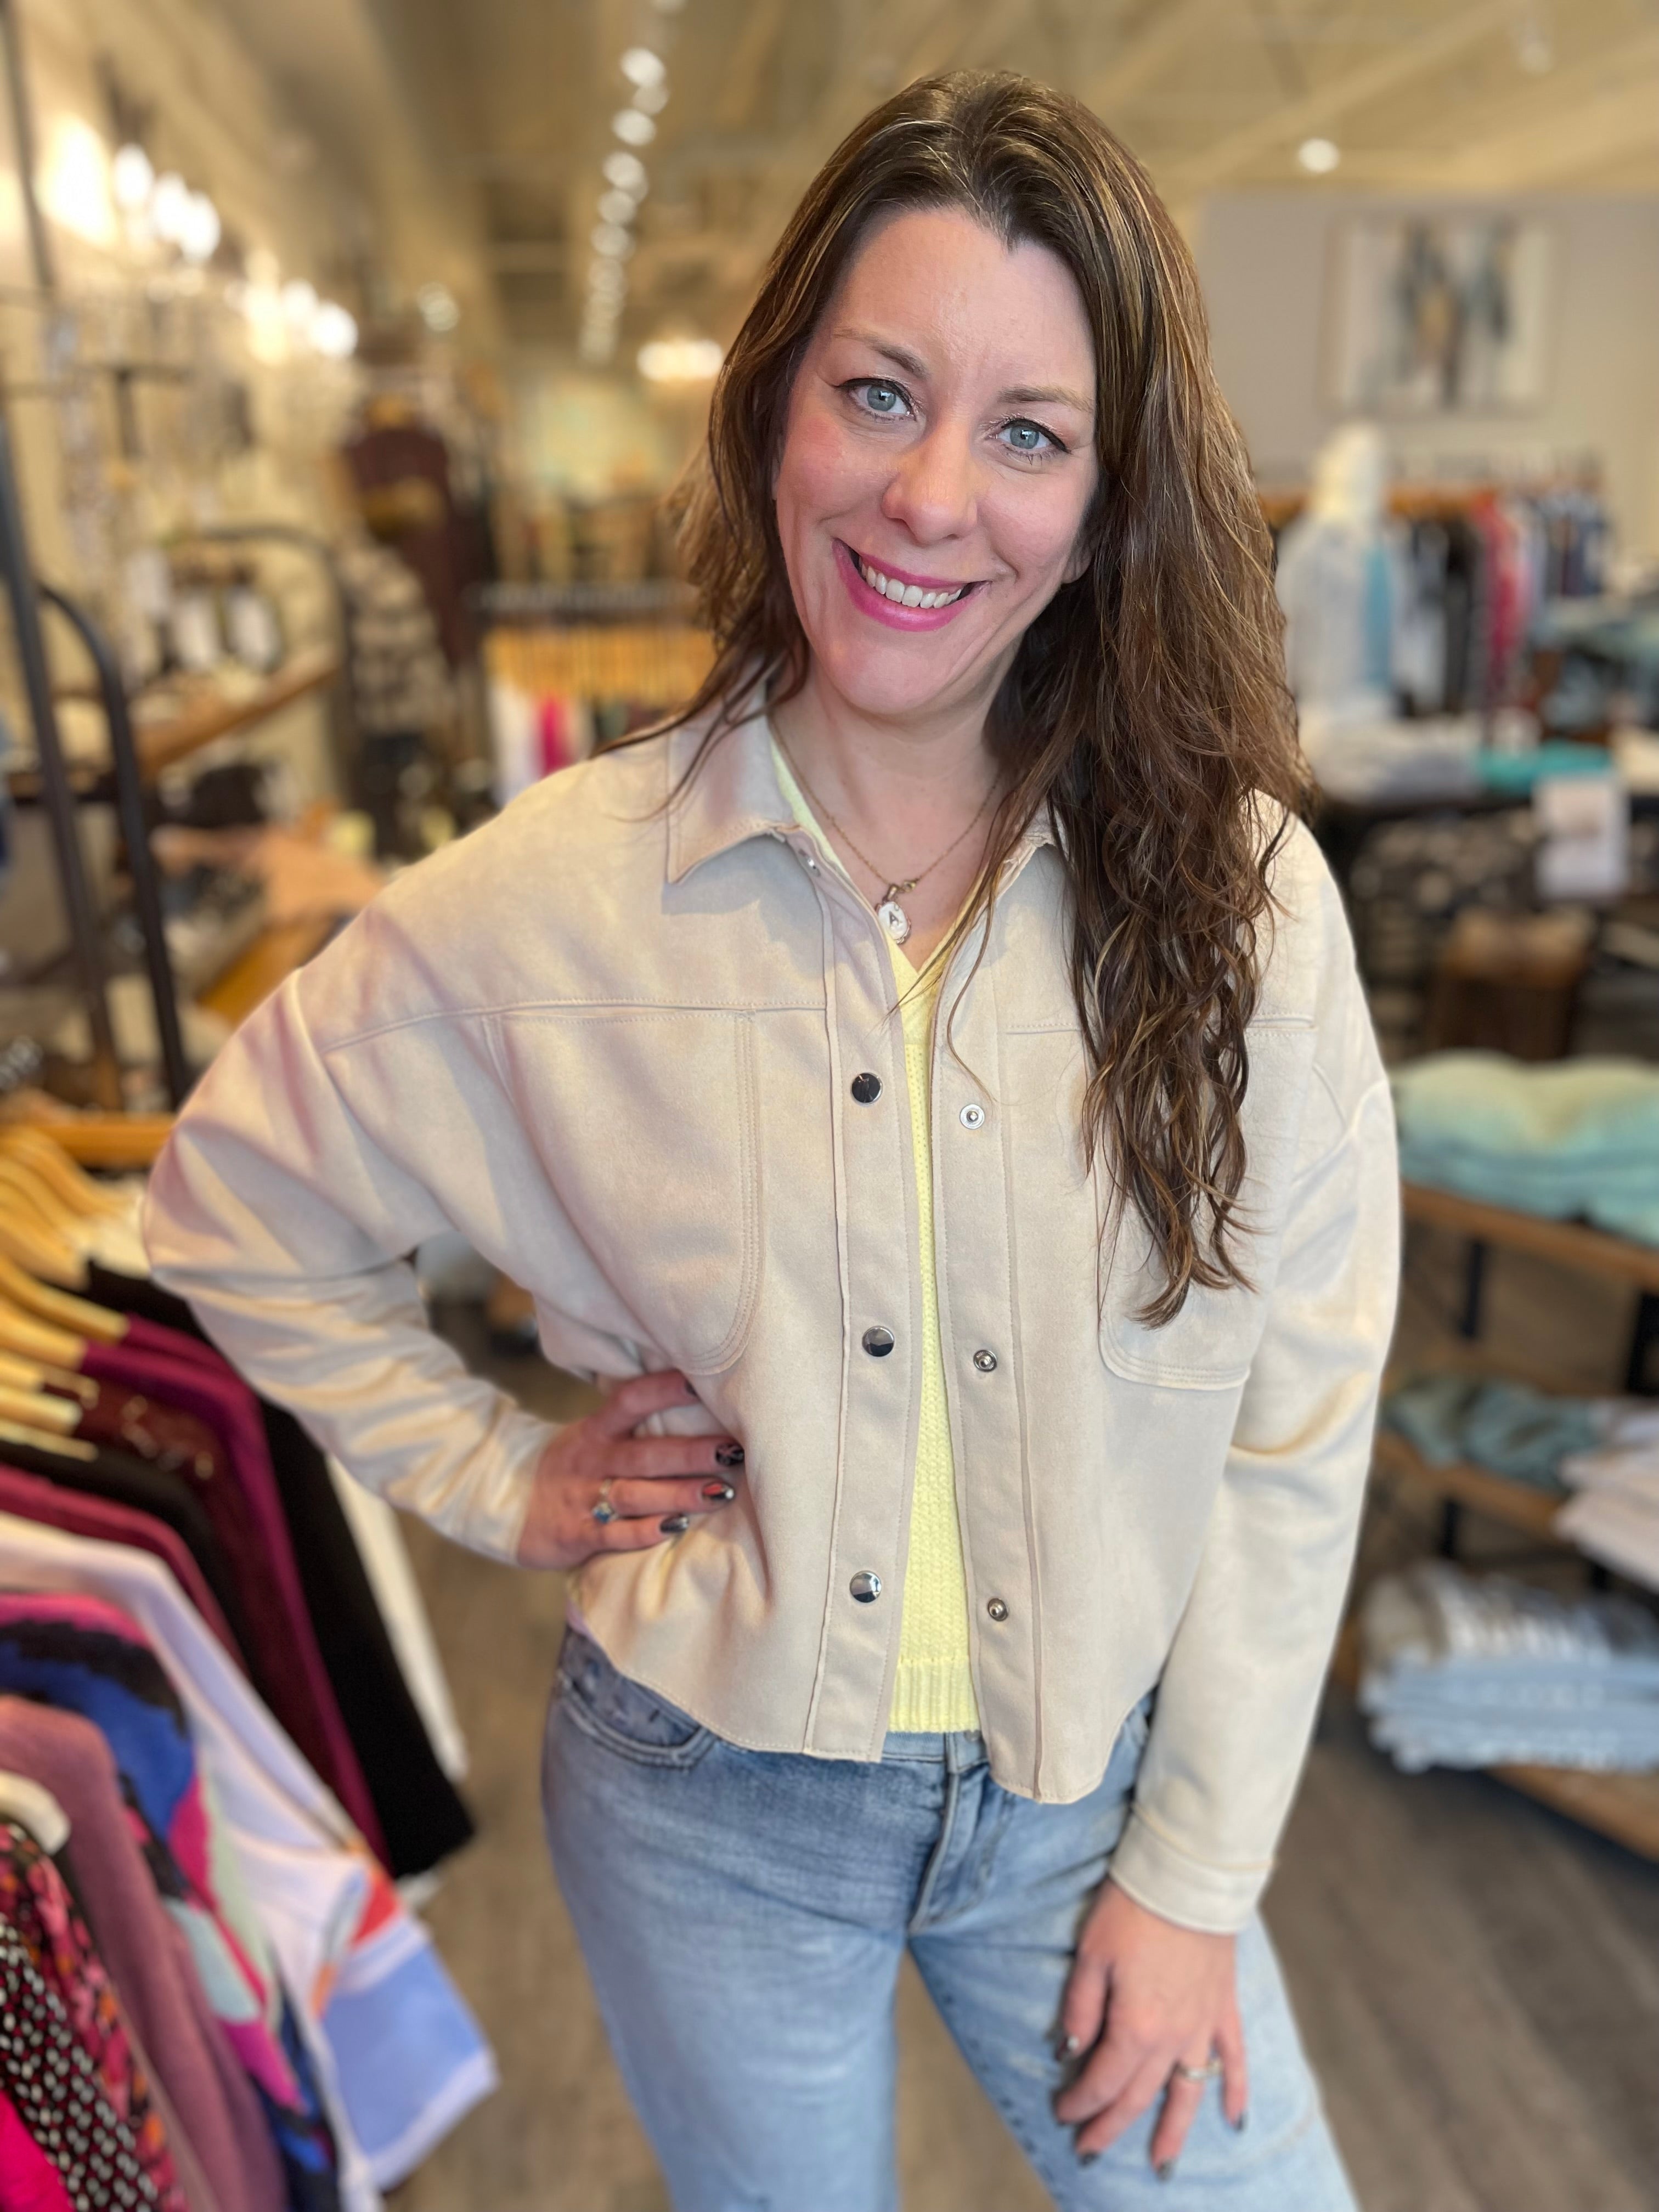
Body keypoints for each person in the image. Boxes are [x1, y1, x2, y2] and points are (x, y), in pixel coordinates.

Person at [144, 72, 1398, 2212]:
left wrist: (1196, 1878)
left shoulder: (1241, 899)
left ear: (1112, 498)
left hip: (1092, 1796)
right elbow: (233, 1204)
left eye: (1030, 432)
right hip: (700, 1804)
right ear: (776, 408)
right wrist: (496, 1469)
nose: (930, 495)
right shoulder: (557, 896)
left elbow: (1298, 1403)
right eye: (877, 391)